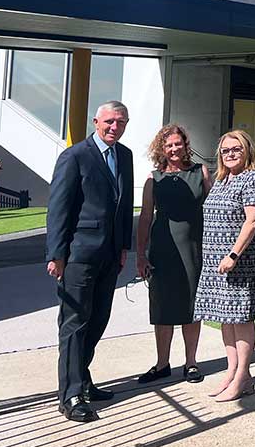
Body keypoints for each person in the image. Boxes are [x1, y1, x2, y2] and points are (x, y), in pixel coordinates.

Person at [45, 100, 133, 423]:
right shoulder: (74, 156)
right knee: (74, 324)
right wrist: (56, 254)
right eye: (109, 121)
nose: (114, 127)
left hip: (111, 255)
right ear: (96, 121)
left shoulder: (125, 156)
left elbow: (124, 205)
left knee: (98, 320)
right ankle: (69, 395)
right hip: (79, 256)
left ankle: (82, 379)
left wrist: (124, 245)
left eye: (121, 122)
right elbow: (58, 208)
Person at [194, 130, 255, 401]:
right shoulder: (223, 179)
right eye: (226, 150)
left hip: (241, 262)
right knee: (226, 317)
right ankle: (232, 371)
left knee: (241, 316)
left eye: (236, 148)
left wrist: (233, 255)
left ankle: (243, 377)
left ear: (247, 149)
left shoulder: (253, 178)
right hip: (217, 261)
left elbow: (253, 220)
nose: (231, 153)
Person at [135, 124, 211, 384]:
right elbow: (145, 217)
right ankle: (162, 363)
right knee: (162, 306)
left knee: (191, 306)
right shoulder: (153, 178)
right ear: (161, 149)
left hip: (193, 247)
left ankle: (191, 363)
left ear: (185, 144)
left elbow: (212, 211)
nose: (174, 148)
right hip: (162, 249)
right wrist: (141, 255)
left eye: (178, 143)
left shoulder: (200, 172)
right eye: (168, 145)